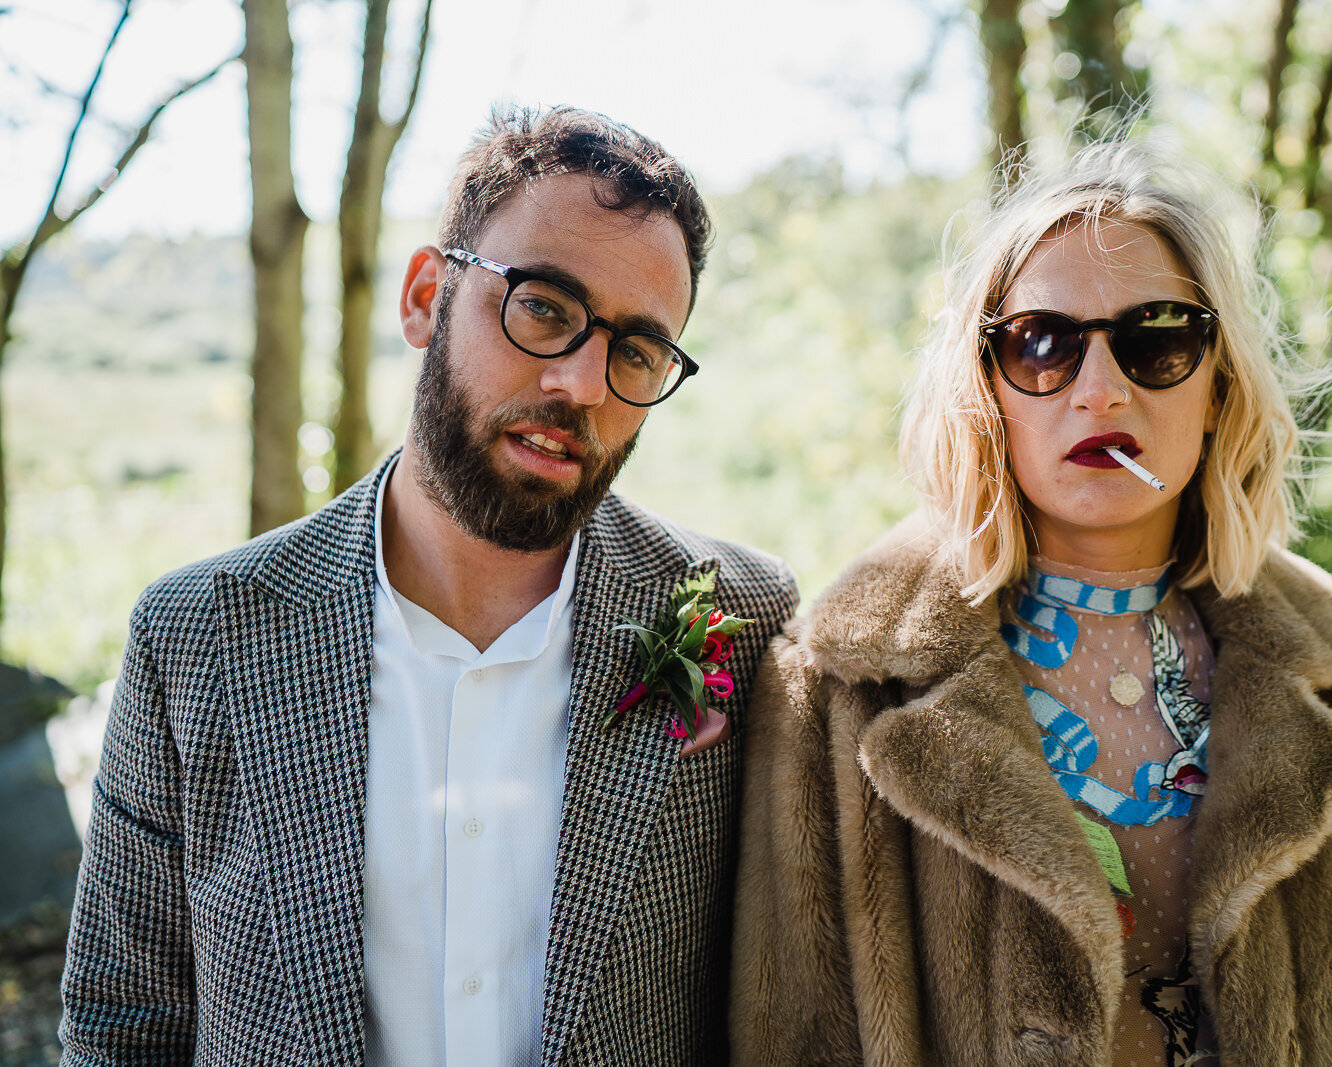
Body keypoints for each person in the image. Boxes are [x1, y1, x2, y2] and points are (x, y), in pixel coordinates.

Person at [59, 106, 798, 1066]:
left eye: (637, 351)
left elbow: (791, 1006)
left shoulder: (745, 619)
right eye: (543, 305)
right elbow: (122, 1028)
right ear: (423, 296)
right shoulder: (198, 637)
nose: (580, 382)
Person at [730, 141, 1332, 1065]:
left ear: (1218, 386)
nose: (1100, 390)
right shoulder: (839, 685)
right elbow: (793, 1031)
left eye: (1158, 337)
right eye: (1040, 344)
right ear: (986, 388)